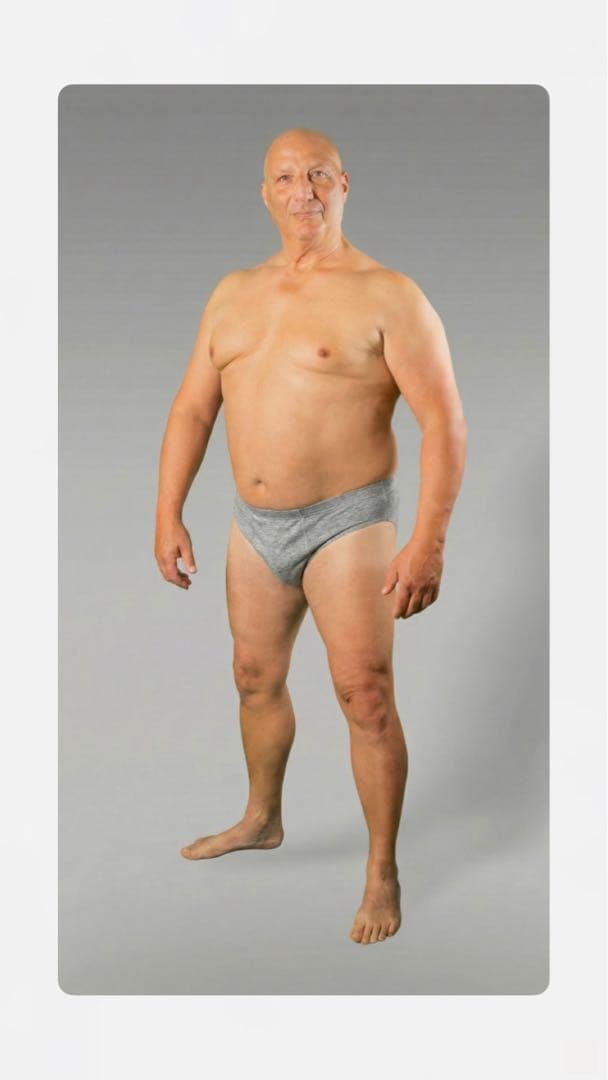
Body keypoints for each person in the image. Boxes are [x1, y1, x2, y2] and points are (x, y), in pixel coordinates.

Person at [154, 127, 467, 945]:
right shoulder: (232, 293)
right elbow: (192, 409)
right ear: (265, 193)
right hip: (254, 524)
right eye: (287, 178)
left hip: (348, 520)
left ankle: (381, 869)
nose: (304, 192)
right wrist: (167, 510)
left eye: (319, 176)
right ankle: (262, 818)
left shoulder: (388, 294)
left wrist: (428, 541)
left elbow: (444, 423)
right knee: (253, 677)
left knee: (365, 694)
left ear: (345, 185)